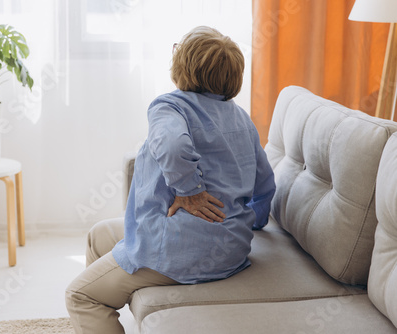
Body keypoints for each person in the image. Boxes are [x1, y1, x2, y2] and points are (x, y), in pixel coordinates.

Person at [65, 26, 276, 334]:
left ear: (184, 66)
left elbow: (173, 145)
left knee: (80, 296)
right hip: (232, 249)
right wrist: (248, 221)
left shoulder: (171, 105)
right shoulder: (241, 117)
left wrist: (190, 191)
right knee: (98, 235)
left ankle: (97, 309)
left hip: (182, 249)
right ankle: (105, 314)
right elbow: (265, 185)